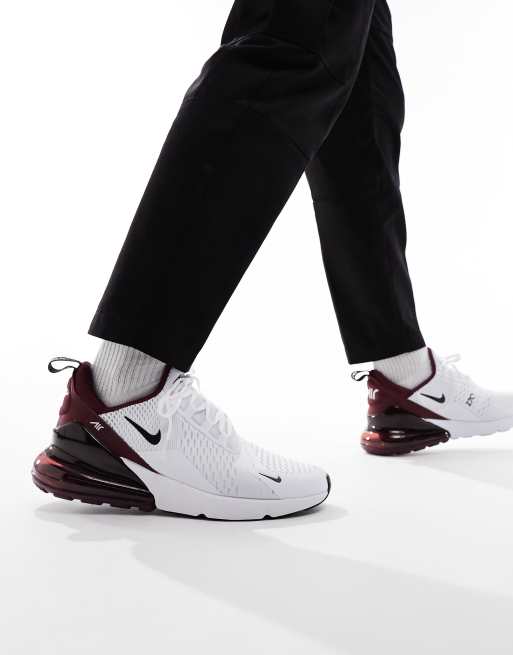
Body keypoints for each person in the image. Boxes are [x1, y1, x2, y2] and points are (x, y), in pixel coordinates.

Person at [32, 1, 513, 519]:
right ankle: (125, 399)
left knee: (362, 86)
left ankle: (407, 378)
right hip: (123, 412)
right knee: (292, 45)